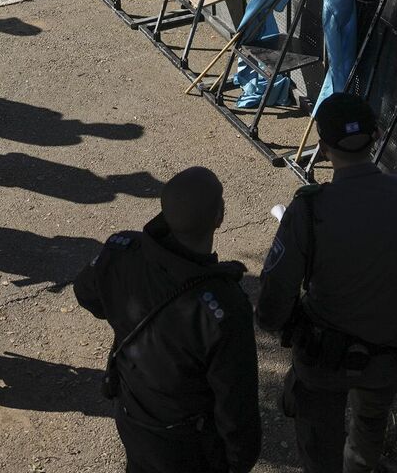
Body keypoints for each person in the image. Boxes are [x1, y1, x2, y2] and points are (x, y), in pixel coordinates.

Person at [257, 93, 397, 473]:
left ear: (324, 147)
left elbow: (273, 302)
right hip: (389, 351)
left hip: (322, 361)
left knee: (318, 444)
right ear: (376, 136)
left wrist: (278, 321)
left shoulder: (309, 209)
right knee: (369, 433)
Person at [74, 168, 261, 473]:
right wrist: (237, 463)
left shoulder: (121, 251)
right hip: (187, 446)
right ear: (219, 218)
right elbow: (236, 407)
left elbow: (86, 294)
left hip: (133, 418)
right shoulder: (223, 309)